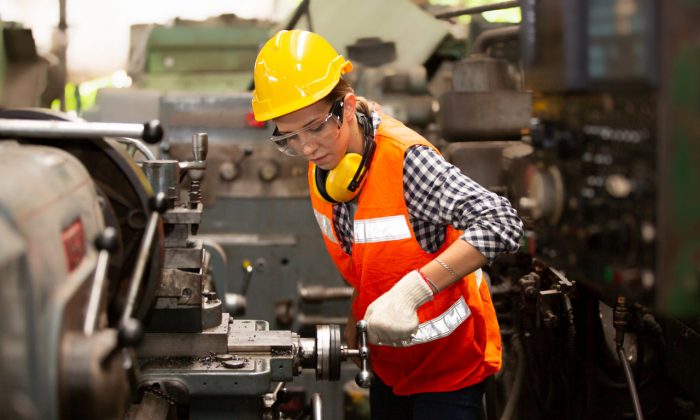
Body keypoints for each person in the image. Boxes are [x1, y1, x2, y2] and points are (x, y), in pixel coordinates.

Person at [251, 29, 523, 420]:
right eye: (289, 137)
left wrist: (414, 291)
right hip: (389, 366)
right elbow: (367, 257)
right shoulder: (324, 173)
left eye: (314, 128)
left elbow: (502, 221)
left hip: (450, 368)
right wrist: (354, 316)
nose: (307, 148)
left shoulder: (407, 161)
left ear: (345, 107)